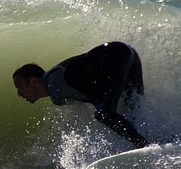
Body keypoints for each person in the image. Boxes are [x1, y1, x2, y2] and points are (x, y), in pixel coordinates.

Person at [12, 41, 150, 148]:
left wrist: (101, 103)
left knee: (104, 113)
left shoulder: (54, 83)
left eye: (20, 86)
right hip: (125, 54)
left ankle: (145, 146)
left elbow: (88, 85)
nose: (19, 93)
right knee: (132, 110)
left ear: (34, 81)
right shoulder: (55, 85)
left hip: (115, 55)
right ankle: (157, 140)